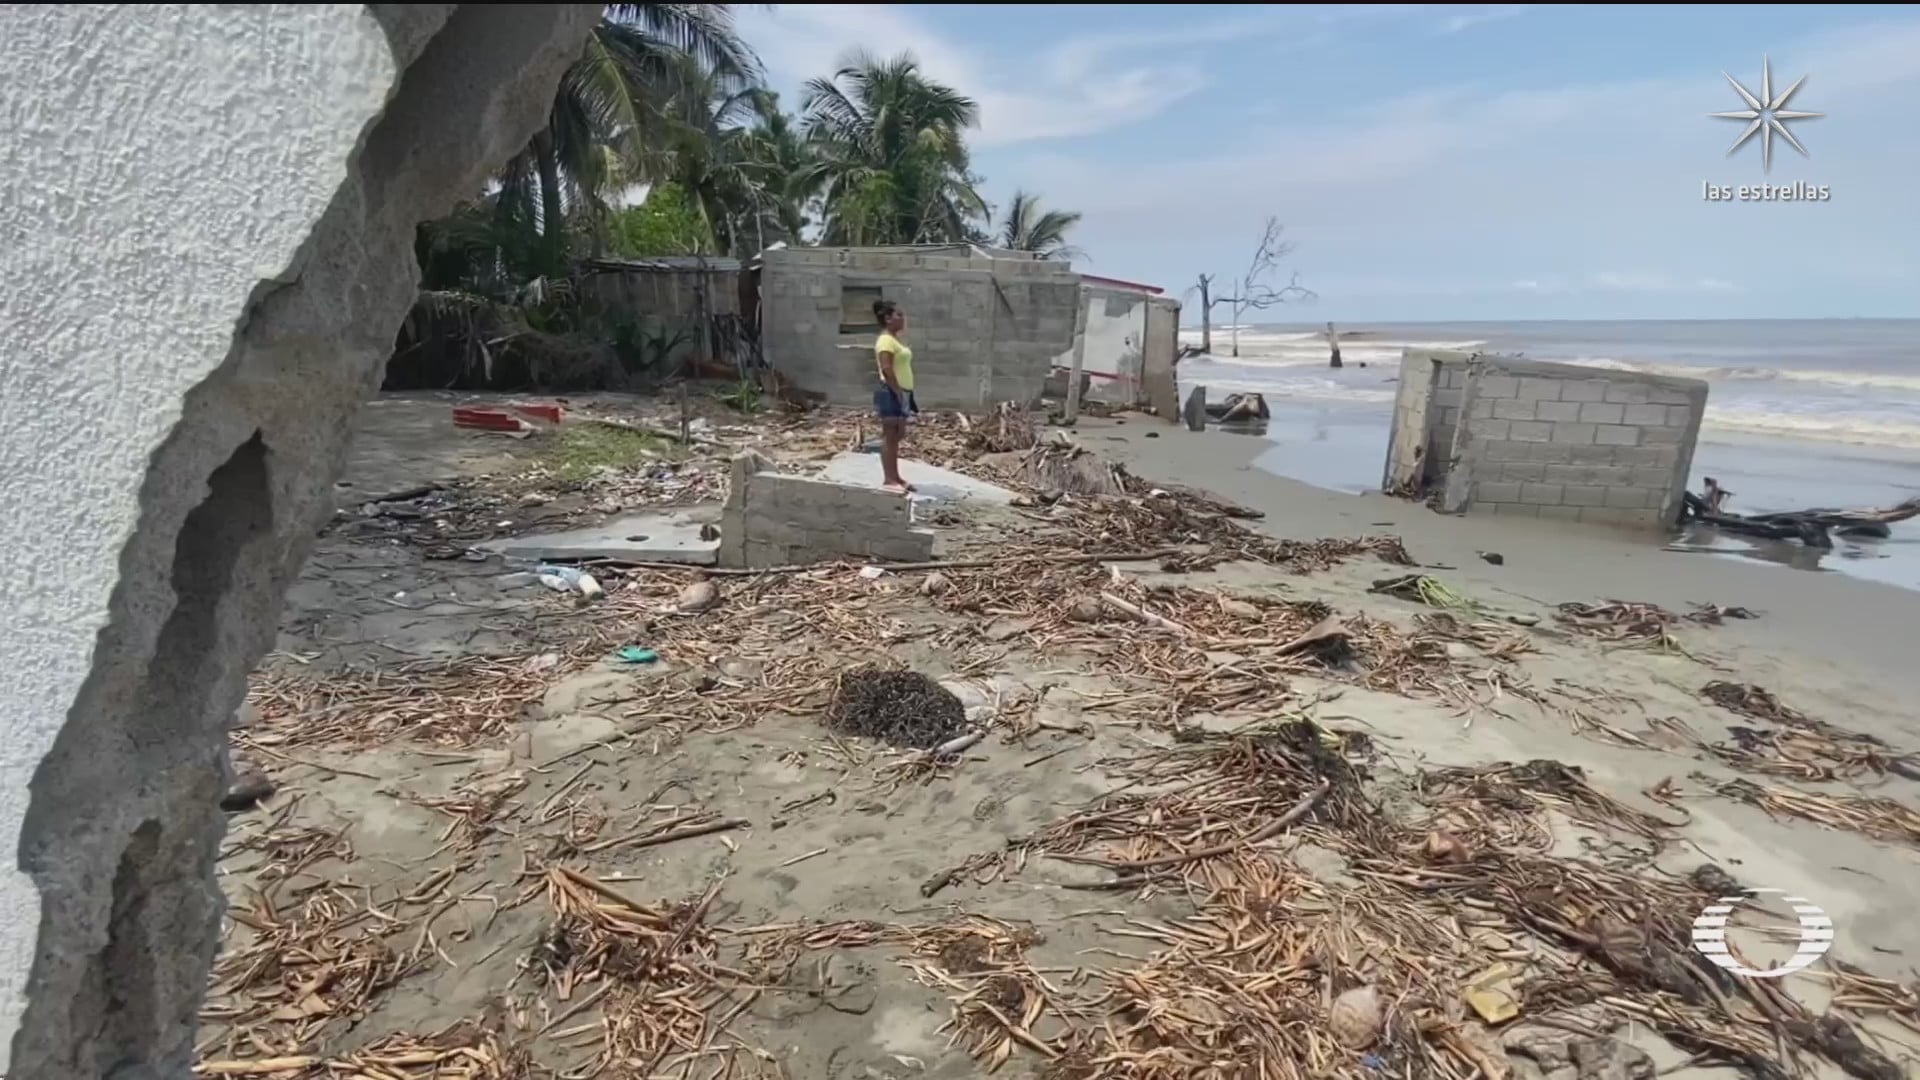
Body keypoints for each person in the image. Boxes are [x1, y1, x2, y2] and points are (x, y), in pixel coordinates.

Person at [872, 299, 917, 493]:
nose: (903, 318)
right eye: (899, 315)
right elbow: (887, 368)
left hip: (902, 392)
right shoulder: (885, 341)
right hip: (891, 391)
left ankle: (896, 476)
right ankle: (889, 479)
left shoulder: (895, 340)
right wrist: (897, 391)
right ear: (888, 318)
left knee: (898, 434)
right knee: (890, 435)